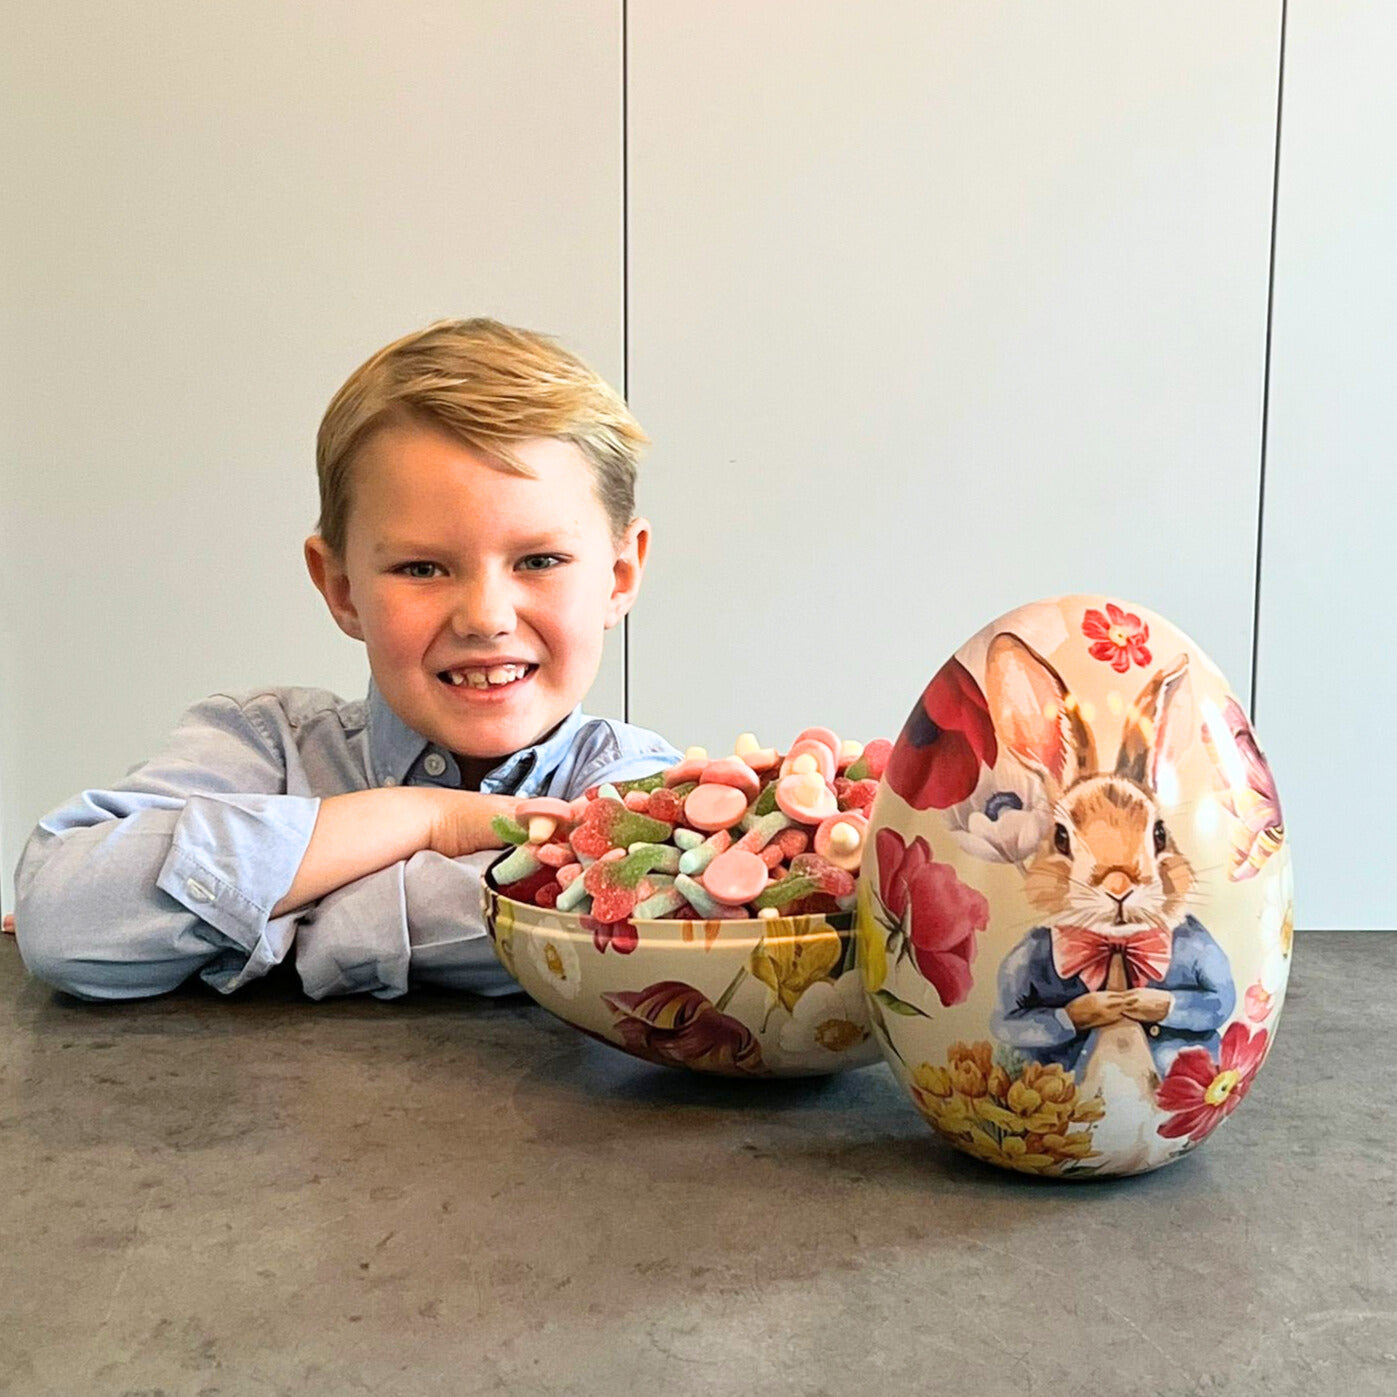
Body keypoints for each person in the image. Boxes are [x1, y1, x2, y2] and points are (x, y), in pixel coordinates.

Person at [11, 318, 680, 1001]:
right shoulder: (261, 741)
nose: (485, 618)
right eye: (421, 567)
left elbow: (624, 925)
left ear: (620, 575)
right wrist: (418, 817)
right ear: (340, 587)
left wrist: (263, 914)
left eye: (539, 560)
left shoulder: (643, 792)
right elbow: (67, 919)